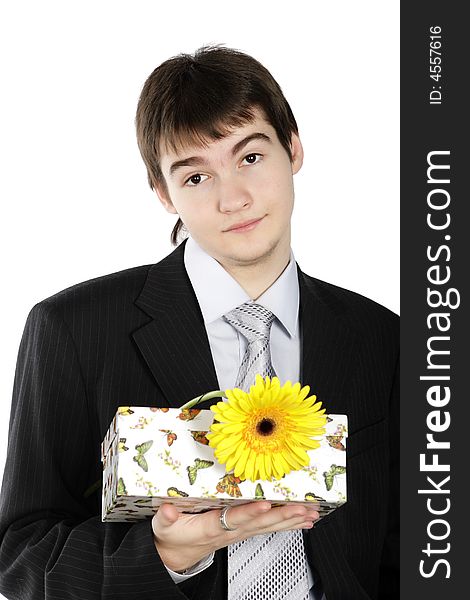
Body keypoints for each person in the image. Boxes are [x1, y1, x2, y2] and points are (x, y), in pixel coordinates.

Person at [0, 46, 399, 600]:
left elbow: (417, 553)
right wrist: (168, 553)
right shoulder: (71, 328)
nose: (233, 198)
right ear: (164, 194)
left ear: (294, 148)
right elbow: (23, 558)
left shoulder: (385, 338)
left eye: (251, 158)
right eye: (195, 177)